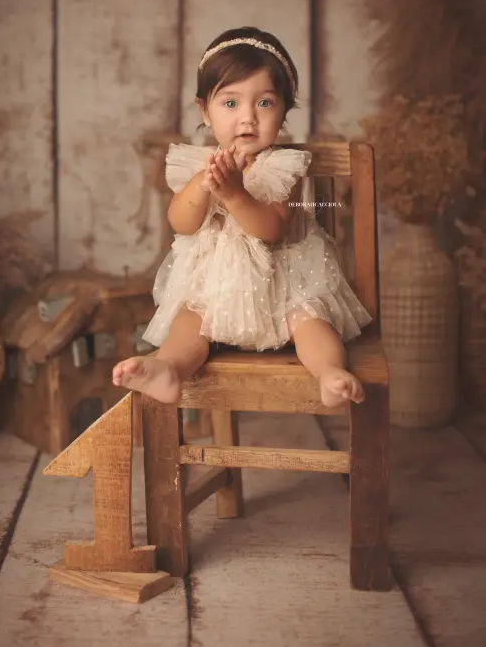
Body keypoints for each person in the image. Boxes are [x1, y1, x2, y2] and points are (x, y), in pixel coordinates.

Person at [113, 26, 371, 408]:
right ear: (205, 109)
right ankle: (169, 368)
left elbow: (270, 230)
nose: (248, 117)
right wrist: (205, 184)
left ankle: (329, 373)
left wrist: (234, 194)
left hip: (284, 289)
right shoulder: (199, 165)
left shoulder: (285, 166)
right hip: (215, 293)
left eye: (264, 103)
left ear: (284, 108)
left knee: (312, 322)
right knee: (189, 321)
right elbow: (181, 223)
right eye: (230, 103)